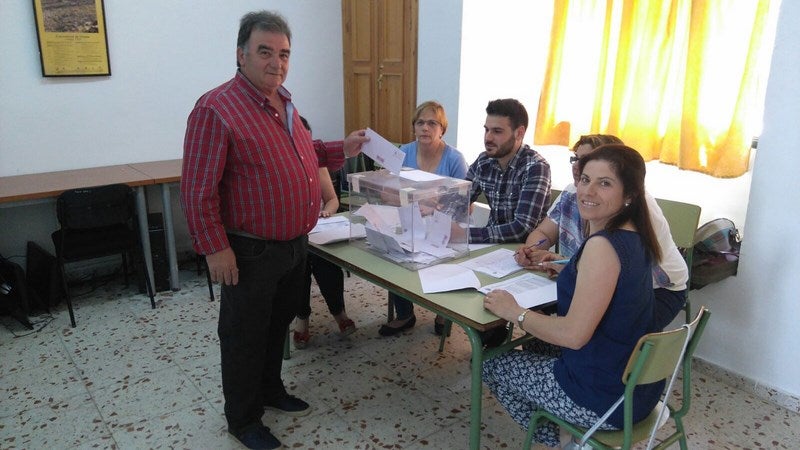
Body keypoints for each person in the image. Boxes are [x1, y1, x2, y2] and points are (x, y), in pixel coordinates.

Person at [180, 11, 368, 450]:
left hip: (293, 245)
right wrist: (214, 248)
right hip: (249, 250)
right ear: (241, 54)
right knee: (244, 336)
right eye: (265, 52)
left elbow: (305, 154)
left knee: (276, 324)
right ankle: (243, 420)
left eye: (284, 54)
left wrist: (344, 147)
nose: (276, 63)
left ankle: (269, 390)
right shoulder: (216, 108)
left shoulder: (283, 101)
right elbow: (196, 190)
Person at [482, 144, 664, 448]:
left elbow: (574, 336)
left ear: (630, 195)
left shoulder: (603, 246)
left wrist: (515, 312)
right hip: (637, 389)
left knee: (490, 363)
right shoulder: (636, 235)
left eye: (604, 183)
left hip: (604, 400)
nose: (588, 191)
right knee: (536, 344)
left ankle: (570, 440)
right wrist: (569, 271)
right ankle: (569, 433)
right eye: (585, 179)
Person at [515, 134, 689, 330]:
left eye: (603, 180)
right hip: (599, 284)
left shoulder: (634, 210)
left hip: (655, 292)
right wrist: (533, 252)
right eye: (577, 159)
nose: (577, 167)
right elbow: (544, 233)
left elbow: (610, 270)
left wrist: (570, 268)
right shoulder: (575, 191)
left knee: (566, 327)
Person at [378, 100, 469, 337]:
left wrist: (434, 207)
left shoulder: (454, 159)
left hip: (443, 226)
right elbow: (386, 192)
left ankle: (442, 313)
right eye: (420, 122)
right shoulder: (403, 153)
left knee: (442, 261)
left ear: (442, 129)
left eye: (432, 123)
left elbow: (465, 204)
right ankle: (405, 314)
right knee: (394, 253)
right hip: (408, 221)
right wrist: (414, 201)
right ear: (414, 127)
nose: (425, 128)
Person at [294, 116, 356, 348]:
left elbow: (331, 200)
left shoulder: (316, 162)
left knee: (328, 265)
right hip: (295, 236)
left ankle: (339, 313)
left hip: (319, 232)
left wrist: (326, 213)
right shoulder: (281, 168)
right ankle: (302, 319)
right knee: (298, 270)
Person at [466, 98, 551, 244]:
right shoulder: (484, 160)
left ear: (519, 133)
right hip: (488, 246)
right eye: (486, 130)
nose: (488, 137)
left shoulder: (536, 167)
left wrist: (463, 234)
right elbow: (459, 200)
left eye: (497, 131)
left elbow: (522, 229)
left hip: (521, 251)